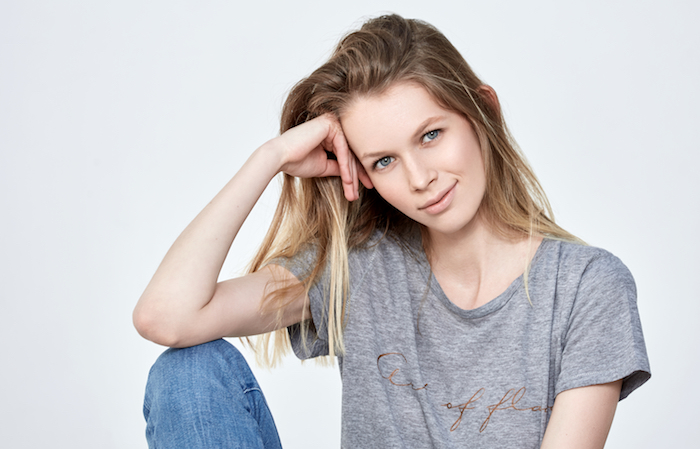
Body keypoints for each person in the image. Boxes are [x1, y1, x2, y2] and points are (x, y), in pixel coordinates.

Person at [133, 14, 650, 449]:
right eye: (384, 161)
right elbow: (166, 318)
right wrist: (269, 159)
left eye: (431, 135)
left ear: (485, 112)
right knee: (187, 375)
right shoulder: (357, 267)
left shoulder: (586, 287)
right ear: (362, 173)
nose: (420, 178)